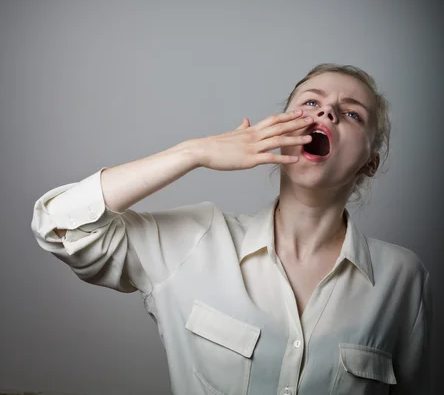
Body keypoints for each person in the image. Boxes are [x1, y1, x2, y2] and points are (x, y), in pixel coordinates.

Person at [31, 63, 433, 394]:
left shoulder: (403, 278)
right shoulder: (196, 241)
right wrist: (194, 152)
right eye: (312, 102)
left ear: (369, 163)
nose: (327, 113)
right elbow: (58, 225)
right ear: (278, 131)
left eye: (351, 114)